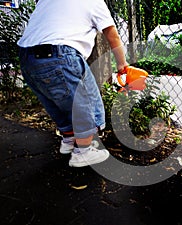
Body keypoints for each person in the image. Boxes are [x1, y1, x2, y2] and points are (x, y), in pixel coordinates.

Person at [17, 0, 129, 167]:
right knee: (86, 102)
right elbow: (112, 35)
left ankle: (68, 140)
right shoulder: (95, 2)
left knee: (55, 101)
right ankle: (83, 151)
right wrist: (122, 63)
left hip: (26, 57)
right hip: (60, 54)